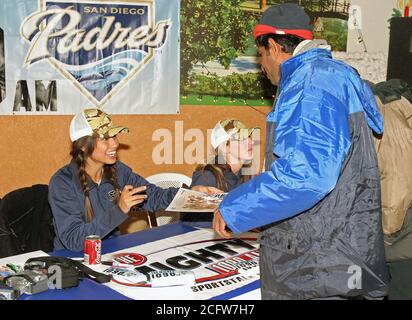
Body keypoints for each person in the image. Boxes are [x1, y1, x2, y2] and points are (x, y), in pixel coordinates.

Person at [213, 3, 389, 300]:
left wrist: (236, 206)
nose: (262, 65)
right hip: (345, 250)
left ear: (272, 46)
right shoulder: (338, 75)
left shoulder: (309, 85)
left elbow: (307, 176)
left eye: (261, 56)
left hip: (316, 265)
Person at [49, 108, 215, 252]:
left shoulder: (118, 171)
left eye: (114, 136)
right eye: (105, 139)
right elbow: (73, 240)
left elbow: (154, 196)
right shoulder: (62, 183)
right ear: (84, 146)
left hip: (110, 254)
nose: (115, 144)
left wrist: (191, 195)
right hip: (74, 261)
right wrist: (119, 210)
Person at [181, 119, 258, 228]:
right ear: (224, 147)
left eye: (249, 136)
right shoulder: (207, 176)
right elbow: (193, 224)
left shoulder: (245, 175)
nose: (251, 142)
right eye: (241, 139)